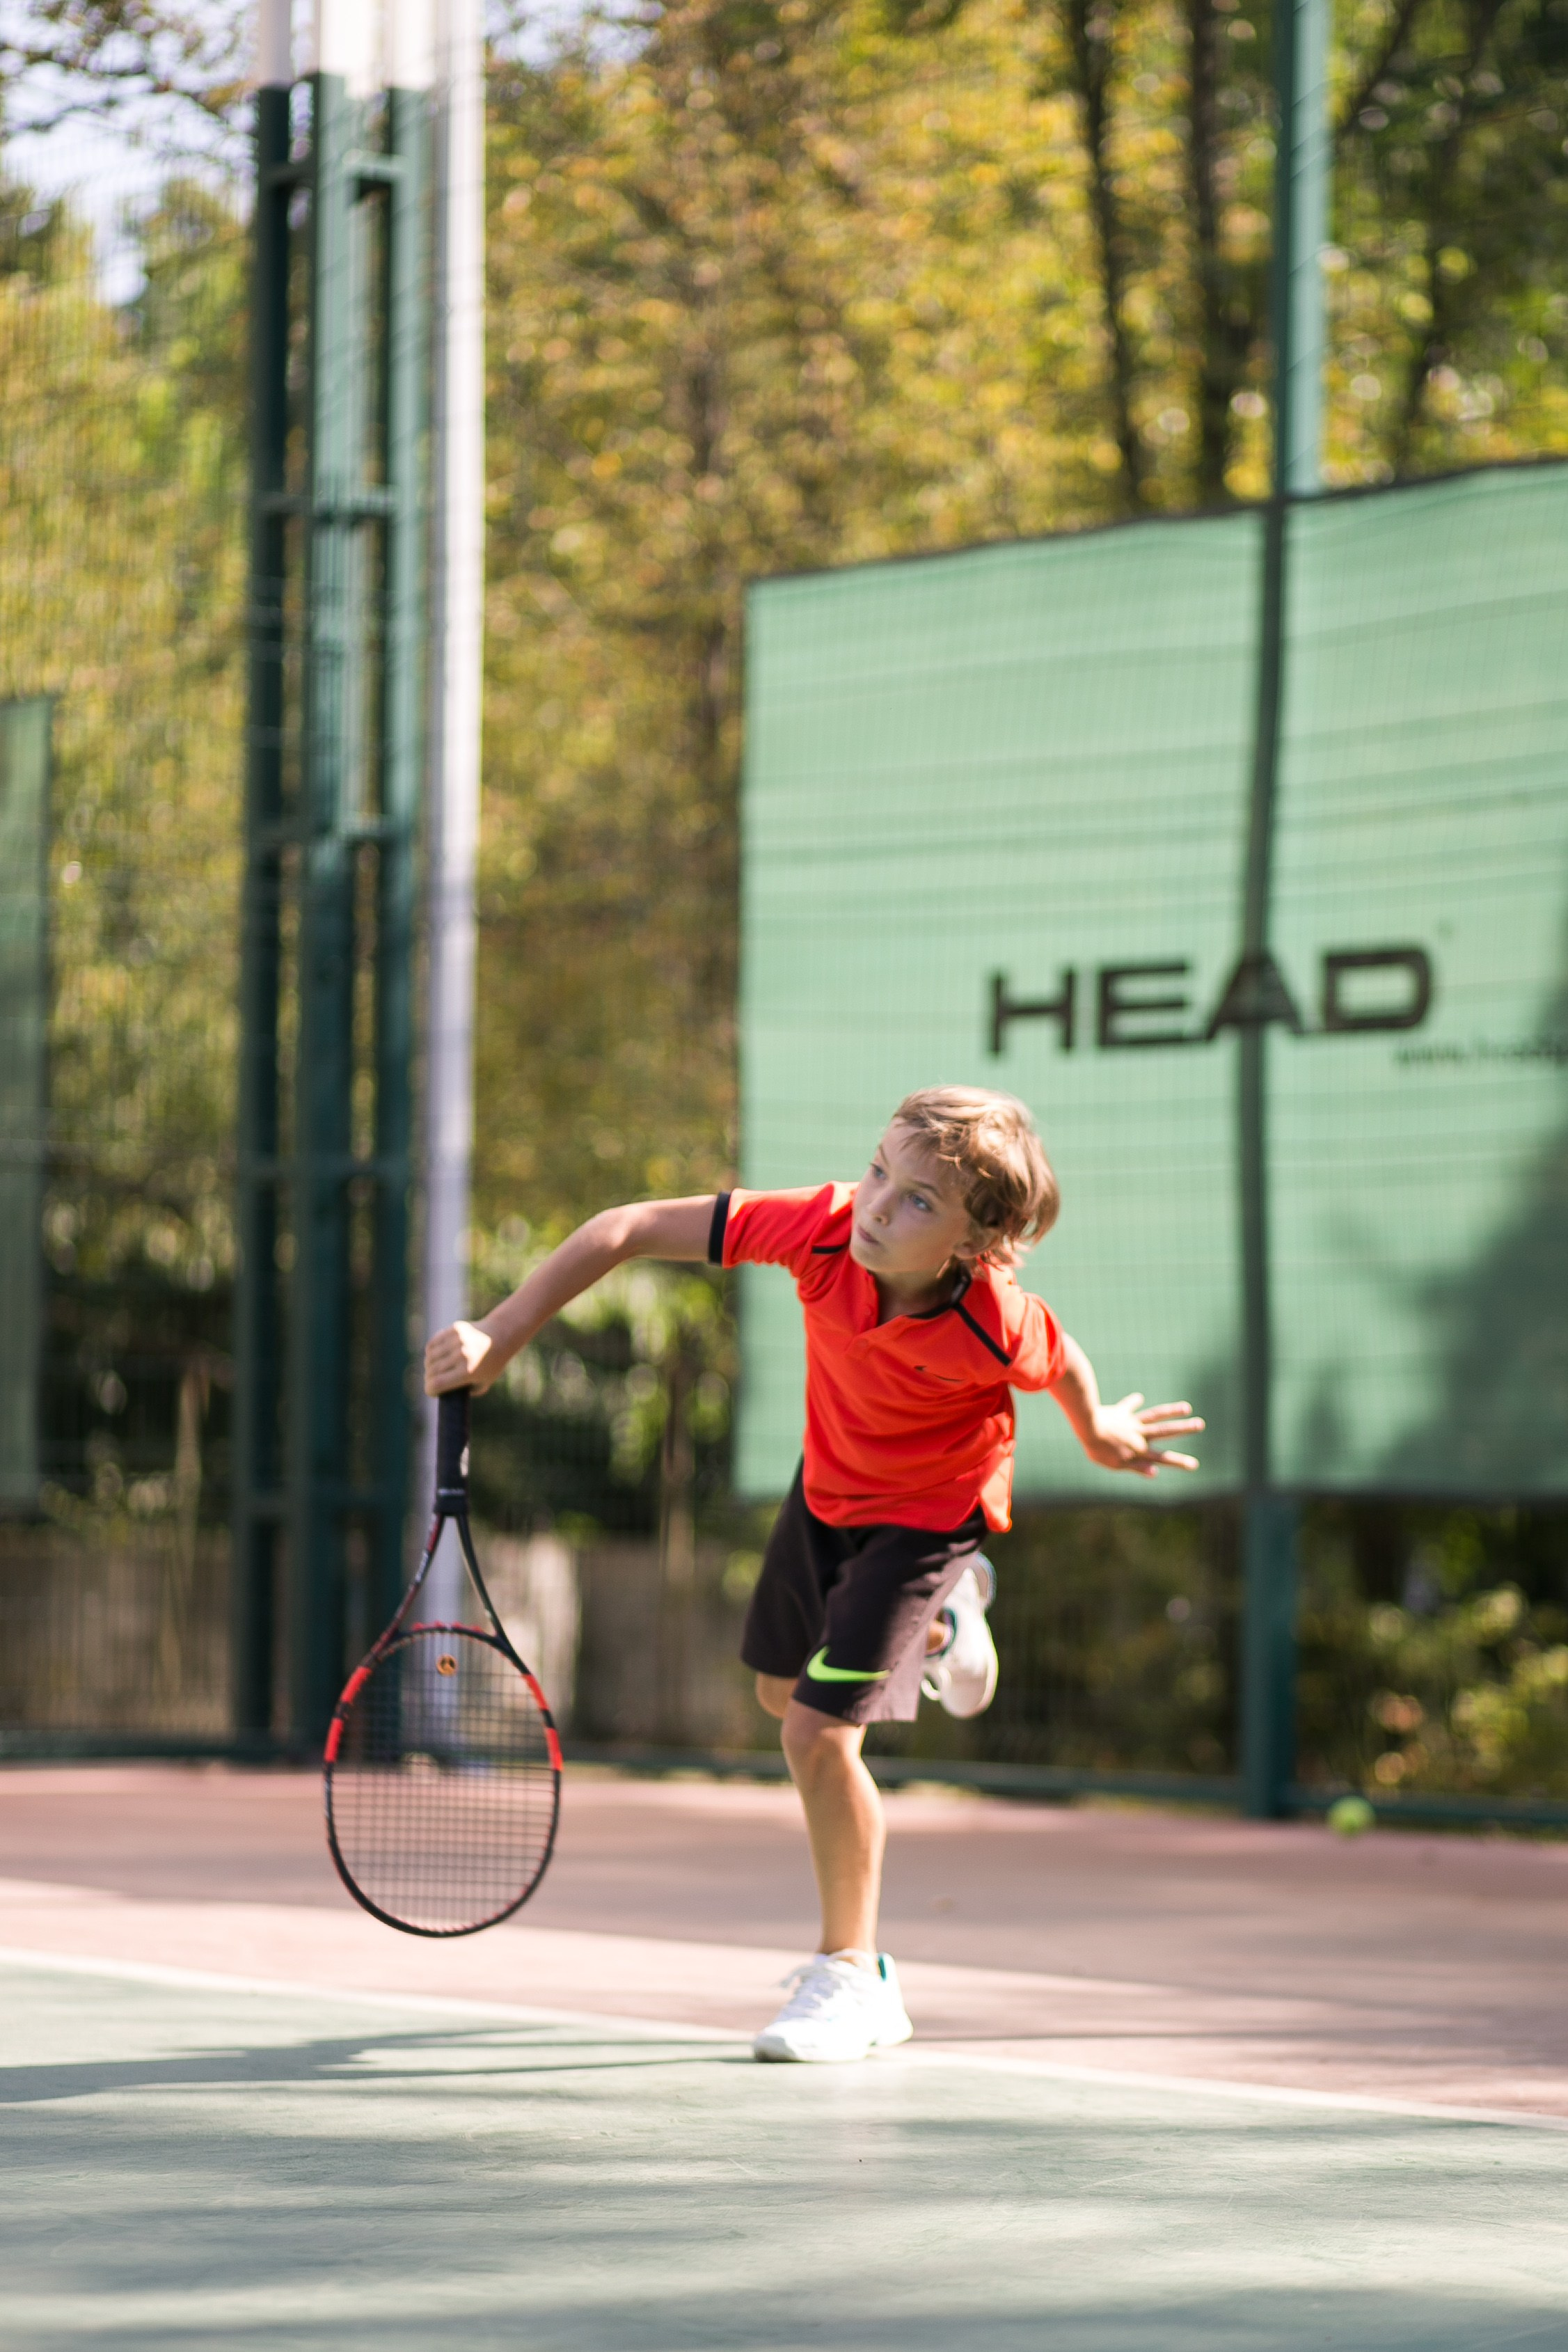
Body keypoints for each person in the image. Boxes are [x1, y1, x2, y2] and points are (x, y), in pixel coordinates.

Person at [424, 1084, 1202, 2064]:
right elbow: (622, 1229)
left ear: (976, 1240)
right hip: (829, 1491)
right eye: (880, 1169)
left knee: (816, 1738)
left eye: (918, 1199)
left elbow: (1057, 1360)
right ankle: (945, 1627)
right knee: (777, 1694)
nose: (877, 1204)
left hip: (929, 1515)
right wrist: (503, 1330)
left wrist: (1100, 1438)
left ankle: (854, 1975)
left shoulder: (993, 1317)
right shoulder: (821, 1229)